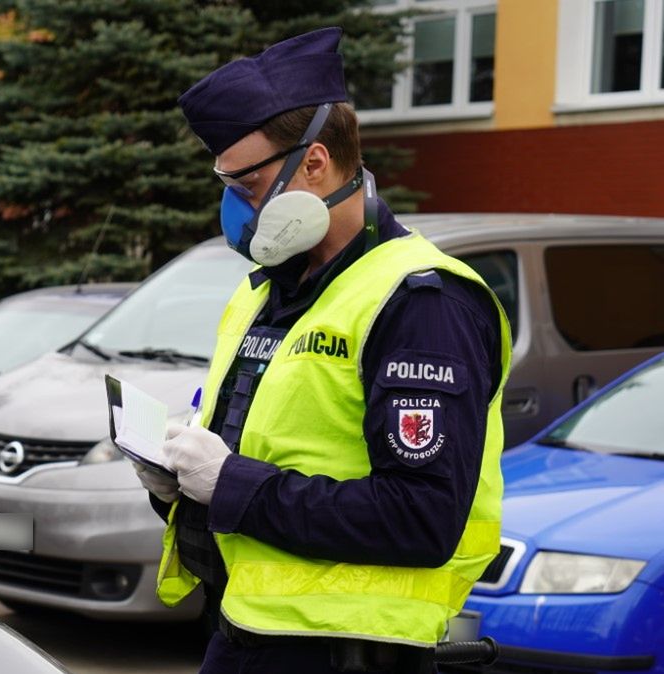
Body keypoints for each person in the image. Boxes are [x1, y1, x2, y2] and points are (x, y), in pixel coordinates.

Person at [133, 27, 511, 674]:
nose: (235, 209)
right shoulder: (266, 294)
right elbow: (274, 451)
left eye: (246, 185)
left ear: (313, 163)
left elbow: (420, 519)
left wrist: (229, 483)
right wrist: (179, 484)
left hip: (348, 652)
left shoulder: (421, 302)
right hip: (247, 631)